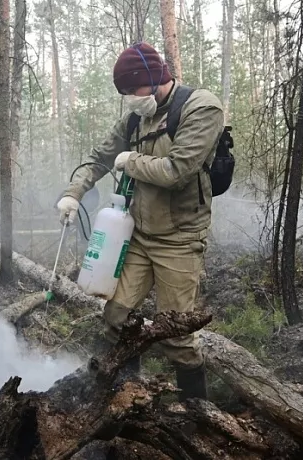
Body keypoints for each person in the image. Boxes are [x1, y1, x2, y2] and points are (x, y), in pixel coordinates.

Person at [55, 42, 224, 400]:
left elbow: (177, 170)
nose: (130, 98)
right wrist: (73, 193)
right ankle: (125, 395)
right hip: (137, 235)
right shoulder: (136, 117)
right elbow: (100, 157)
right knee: (116, 317)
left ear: (153, 77)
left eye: (133, 89)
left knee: (176, 335)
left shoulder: (201, 107)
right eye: (124, 93)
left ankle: (197, 415)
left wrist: (130, 161)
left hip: (179, 238)